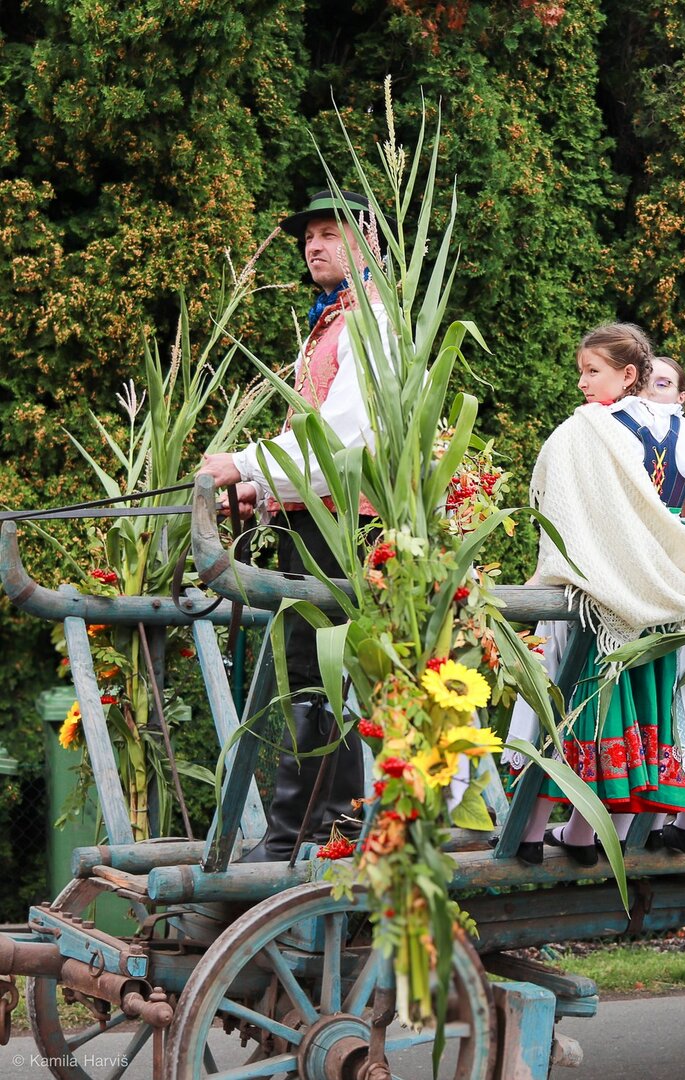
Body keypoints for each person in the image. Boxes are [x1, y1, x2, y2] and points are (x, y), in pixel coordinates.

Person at [199, 188, 387, 862]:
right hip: (311, 520)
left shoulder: (372, 323)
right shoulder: (331, 324)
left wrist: (244, 464)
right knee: (306, 677)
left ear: (369, 244)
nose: (314, 245)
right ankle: (310, 825)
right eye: (309, 236)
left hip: (343, 527)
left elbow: (341, 435)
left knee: (319, 676)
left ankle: (311, 828)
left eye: (331, 233)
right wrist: (256, 488)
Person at [506, 323, 685, 864]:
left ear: (627, 374)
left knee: (564, 704)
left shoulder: (591, 428)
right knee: (646, 708)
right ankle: (599, 835)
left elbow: (566, 513)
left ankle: (530, 833)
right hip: (663, 597)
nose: (583, 383)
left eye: (592, 371)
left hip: (600, 593)